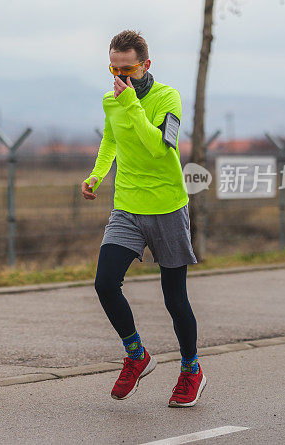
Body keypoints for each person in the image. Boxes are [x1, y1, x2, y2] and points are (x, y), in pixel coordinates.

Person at [80, 29, 206, 407]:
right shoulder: (112, 99)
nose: (120, 78)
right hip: (127, 207)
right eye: (113, 69)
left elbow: (157, 147)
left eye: (128, 69)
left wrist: (132, 103)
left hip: (167, 207)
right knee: (105, 283)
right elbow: (112, 139)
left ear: (145, 65)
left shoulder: (168, 97)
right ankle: (136, 355)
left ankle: (190, 369)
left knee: (174, 299)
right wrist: (97, 175)